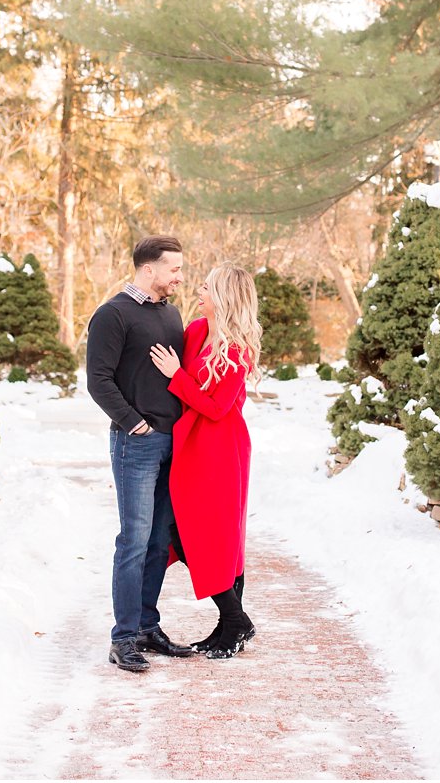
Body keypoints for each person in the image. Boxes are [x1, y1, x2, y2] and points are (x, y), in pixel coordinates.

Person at [86, 234, 195, 673]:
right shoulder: (113, 314)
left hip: (175, 442)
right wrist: (135, 422)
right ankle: (124, 637)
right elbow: (99, 380)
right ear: (148, 269)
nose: (180, 277)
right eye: (174, 269)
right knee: (133, 539)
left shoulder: (171, 314)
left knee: (158, 541)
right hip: (137, 442)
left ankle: (148, 626)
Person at [149, 263, 262, 660]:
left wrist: (177, 377)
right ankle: (232, 621)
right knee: (188, 531)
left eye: (208, 287)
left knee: (217, 535)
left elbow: (216, 408)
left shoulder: (236, 349)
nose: (199, 290)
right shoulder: (196, 331)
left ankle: (233, 621)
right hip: (191, 445)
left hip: (221, 449)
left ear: (225, 297)